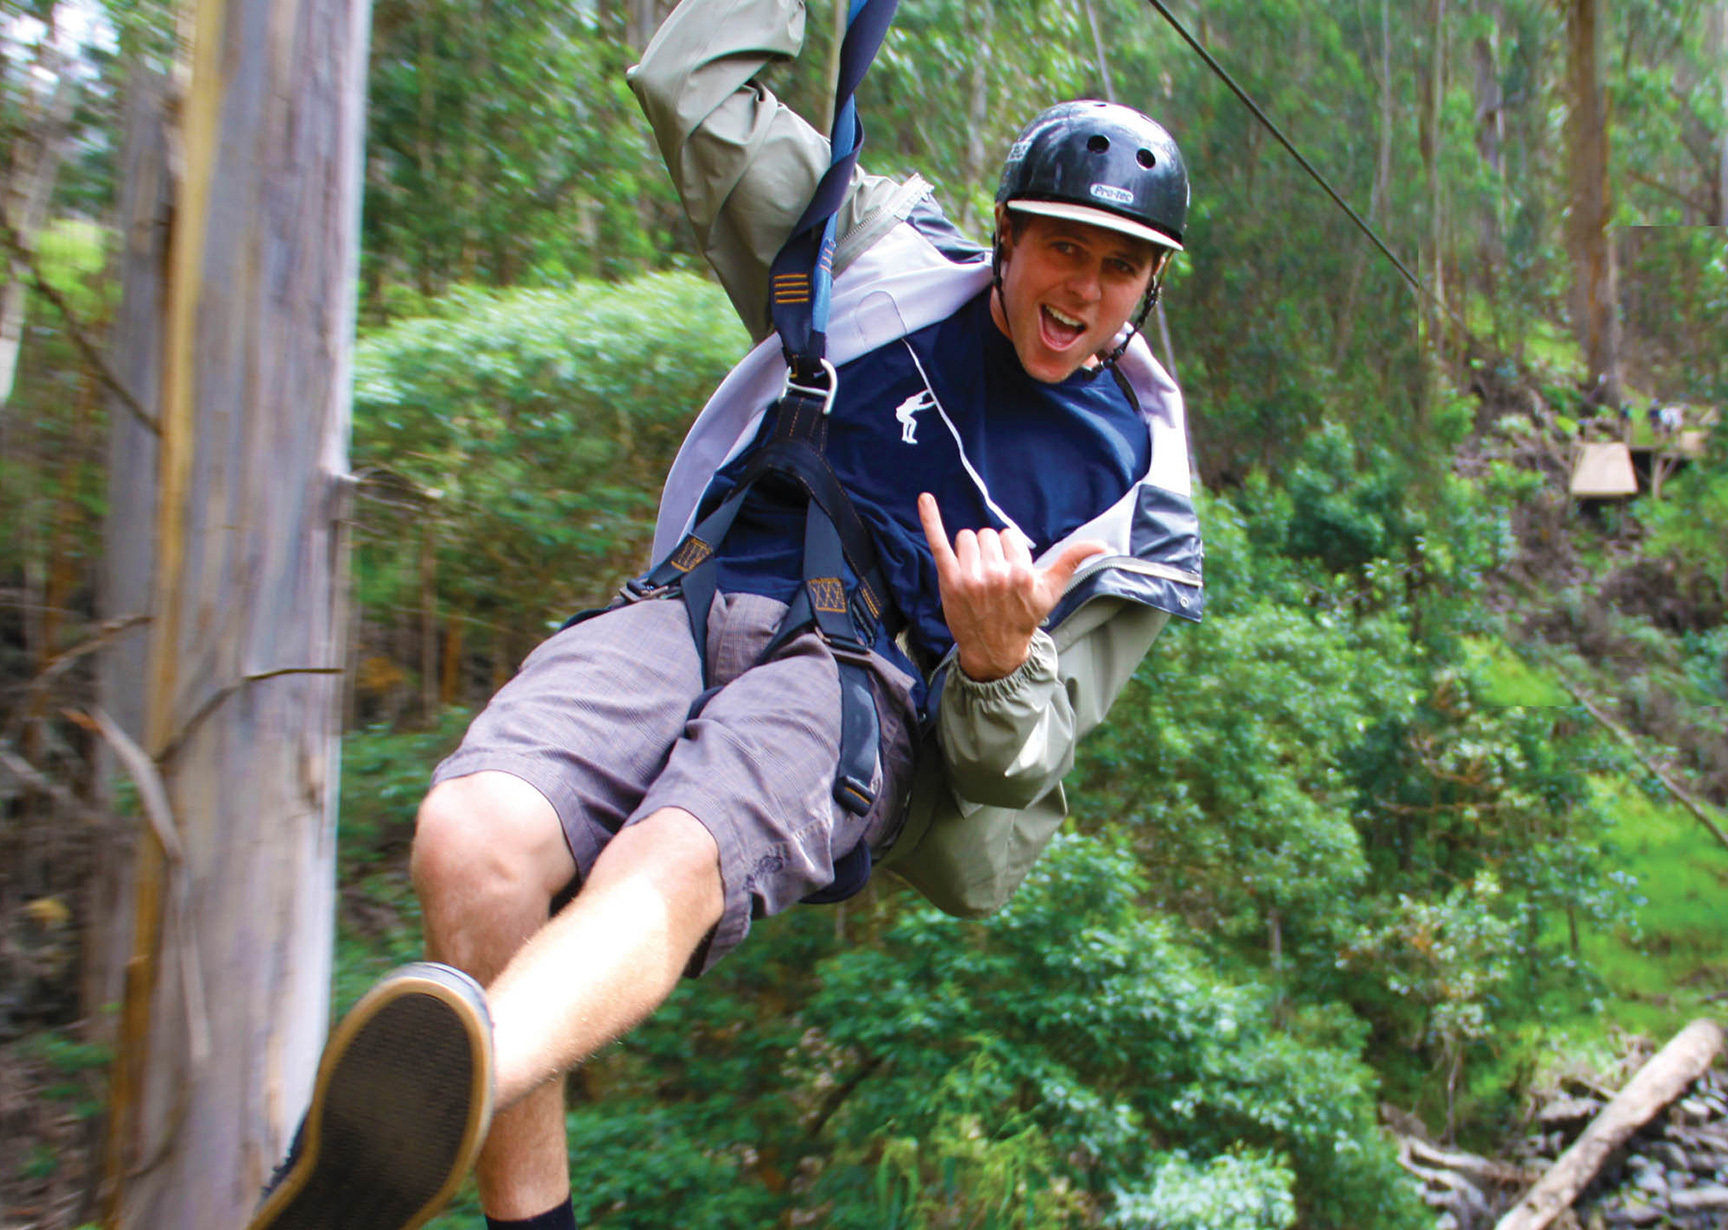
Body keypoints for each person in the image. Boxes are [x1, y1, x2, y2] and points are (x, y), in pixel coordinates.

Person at [249, 0, 1203, 1226]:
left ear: (1149, 283)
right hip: (696, 595)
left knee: (670, 861)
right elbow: (693, 87)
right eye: (1063, 247)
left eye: (1119, 264)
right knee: (471, 844)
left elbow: (1022, 762)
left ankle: (444, 1089)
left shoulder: (1137, 500)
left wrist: (994, 658)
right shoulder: (876, 260)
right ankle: (509, 1189)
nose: (1084, 287)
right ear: (1009, 235)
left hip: (858, 692)